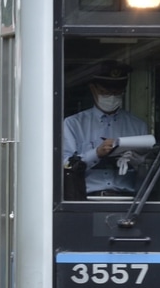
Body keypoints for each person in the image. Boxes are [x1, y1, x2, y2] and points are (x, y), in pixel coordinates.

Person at [62, 61, 151, 196]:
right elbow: (65, 164)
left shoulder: (138, 126)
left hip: (128, 201)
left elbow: (149, 169)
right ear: (93, 89)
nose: (112, 97)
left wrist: (137, 162)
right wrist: (96, 153)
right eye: (105, 92)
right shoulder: (73, 124)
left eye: (117, 93)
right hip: (85, 199)